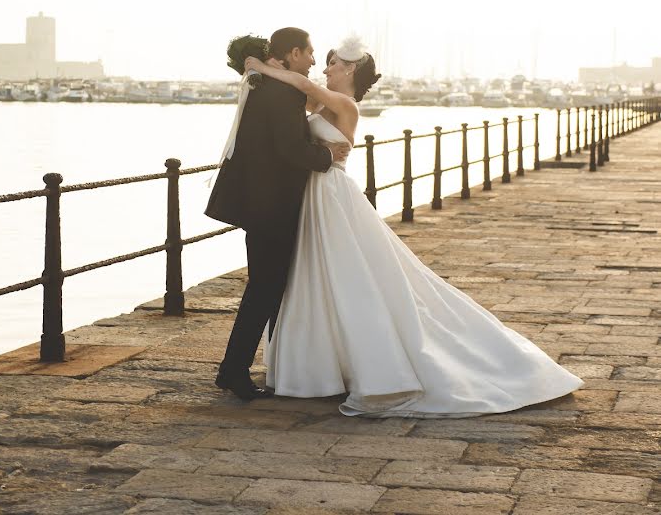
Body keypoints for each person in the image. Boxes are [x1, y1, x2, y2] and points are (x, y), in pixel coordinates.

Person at [242, 37, 583, 417]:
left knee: (349, 274)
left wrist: (260, 65)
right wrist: (261, 76)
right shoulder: (321, 101)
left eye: (333, 63)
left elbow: (302, 86)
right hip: (312, 195)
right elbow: (292, 108)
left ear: (350, 69)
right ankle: (319, 366)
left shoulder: (345, 104)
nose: (325, 69)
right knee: (313, 275)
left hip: (332, 195)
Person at [205, 27, 351, 400]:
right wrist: (325, 156)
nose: (315, 61)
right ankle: (235, 372)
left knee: (265, 287)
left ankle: (257, 368)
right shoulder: (282, 92)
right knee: (265, 289)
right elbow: (288, 148)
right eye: (310, 53)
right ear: (292, 53)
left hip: (261, 202)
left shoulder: (264, 87)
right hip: (272, 205)